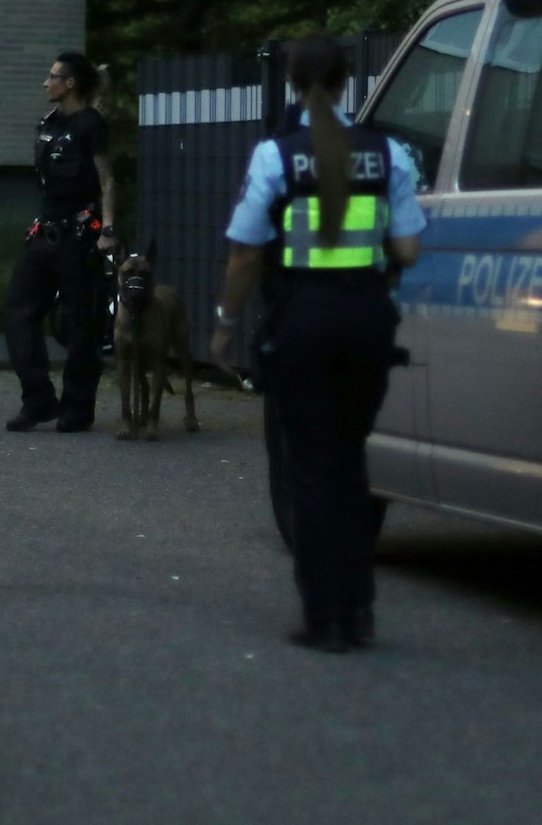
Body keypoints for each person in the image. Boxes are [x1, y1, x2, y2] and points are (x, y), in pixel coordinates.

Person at [210, 36, 425, 652]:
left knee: (311, 468)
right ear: (346, 81)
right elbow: (408, 249)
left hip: (301, 322)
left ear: (291, 82)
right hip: (367, 323)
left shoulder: (277, 158)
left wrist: (226, 324)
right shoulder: (390, 155)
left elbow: (247, 252)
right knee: (351, 463)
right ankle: (358, 610)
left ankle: (325, 615)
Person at [2, 51, 117, 432]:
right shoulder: (51, 123)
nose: (45, 82)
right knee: (17, 313)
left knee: (80, 325)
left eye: (53, 77)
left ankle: (77, 409)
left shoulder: (90, 125)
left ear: (70, 84)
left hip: (79, 237)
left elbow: (107, 181)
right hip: (44, 234)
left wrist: (108, 231)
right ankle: (38, 400)